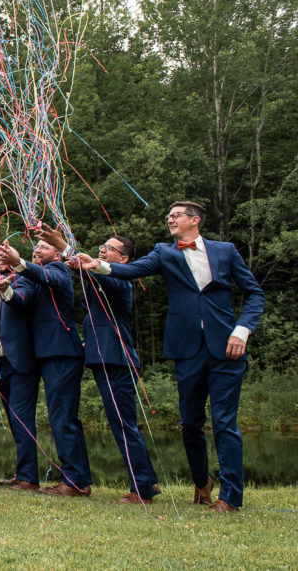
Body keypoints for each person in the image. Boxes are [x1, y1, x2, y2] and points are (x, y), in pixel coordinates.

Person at [77, 201, 265, 512]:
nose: (170, 220)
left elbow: (255, 293)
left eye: (175, 215)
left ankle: (230, 498)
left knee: (224, 422)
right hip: (186, 349)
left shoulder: (226, 250)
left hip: (227, 347)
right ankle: (202, 482)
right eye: (168, 217)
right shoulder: (164, 252)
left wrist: (242, 330)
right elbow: (132, 270)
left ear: (195, 220)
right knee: (190, 423)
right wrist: (97, 266)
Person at [36, 226, 160, 504]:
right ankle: (146, 483)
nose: (103, 249)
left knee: (124, 425)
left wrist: (65, 246)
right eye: (102, 246)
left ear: (124, 259)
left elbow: (96, 274)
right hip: (102, 357)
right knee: (121, 423)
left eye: (110, 248)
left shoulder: (119, 281)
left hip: (115, 358)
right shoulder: (100, 277)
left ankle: (141, 488)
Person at [0, 239, 91, 496]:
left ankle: (76, 482)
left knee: (63, 416)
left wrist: (19, 262)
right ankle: (76, 478)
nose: (37, 250)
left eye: (44, 248)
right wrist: (7, 289)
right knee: (60, 416)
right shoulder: (37, 277)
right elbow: (23, 300)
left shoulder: (59, 271)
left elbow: (50, 280)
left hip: (61, 351)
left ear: (57, 254)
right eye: (35, 247)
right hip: (45, 354)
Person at [0, 266, 38, 490]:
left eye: (1, 257)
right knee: (12, 417)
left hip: (19, 360)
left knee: (20, 418)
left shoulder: (22, 281)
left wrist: (6, 290)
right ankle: (23, 472)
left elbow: (21, 301)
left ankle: (29, 477)